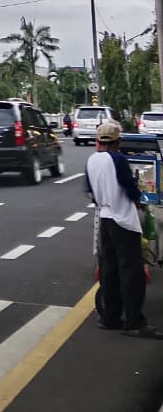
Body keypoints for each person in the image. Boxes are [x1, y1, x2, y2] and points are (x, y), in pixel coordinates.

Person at [86, 121, 163, 338]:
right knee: (132, 272)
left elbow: (89, 190)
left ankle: (109, 319)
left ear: (98, 141)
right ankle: (134, 323)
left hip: (105, 218)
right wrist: (138, 201)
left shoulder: (92, 160)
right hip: (124, 220)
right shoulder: (118, 159)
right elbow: (130, 187)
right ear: (117, 141)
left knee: (109, 270)